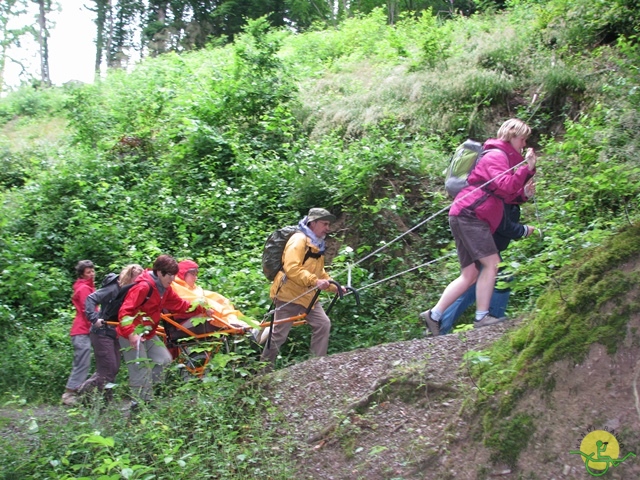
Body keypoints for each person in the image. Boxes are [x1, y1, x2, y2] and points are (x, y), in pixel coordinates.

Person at [420, 118, 537, 336]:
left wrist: (524, 194)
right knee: (492, 264)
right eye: (522, 139)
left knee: (471, 273)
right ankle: (482, 317)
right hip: (471, 214)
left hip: (465, 213)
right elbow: (504, 185)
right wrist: (527, 169)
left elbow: (506, 193)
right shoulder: (496, 155)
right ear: (512, 136)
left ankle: (434, 315)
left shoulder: (502, 158)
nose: (524, 144)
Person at [117, 255, 213, 404]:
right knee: (140, 368)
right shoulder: (143, 286)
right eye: (170, 275)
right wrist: (131, 334)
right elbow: (124, 312)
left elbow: (180, 305)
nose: (173, 279)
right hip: (132, 332)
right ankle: (141, 405)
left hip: (148, 333)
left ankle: (149, 394)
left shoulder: (165, 289)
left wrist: (201, 309)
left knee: (164, 360)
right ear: (160, 273)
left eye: (174, 275)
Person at [261, 208, 344, 368]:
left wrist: (336, 287)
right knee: (278, 335)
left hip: (308, 296)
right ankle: (263, 370)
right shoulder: (298, 240)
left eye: (328, 224)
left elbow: (320, 273)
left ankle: (316, 366)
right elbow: (292, 269)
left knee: (323, 324)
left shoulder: (317, 244)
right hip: (288, 294)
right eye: (324, 224)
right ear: (313, 223)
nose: (328, 228)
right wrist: (314, 281)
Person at [437, 201, 535, 335]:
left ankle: (439, 322)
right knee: (501, 278)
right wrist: (522, 231)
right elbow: (502, 224)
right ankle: (491, 323)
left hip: (484, 245)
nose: (532, 186)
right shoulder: (503, 196)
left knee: (474, 285)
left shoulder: (510, 199)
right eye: (528, 182)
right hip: (483, 246)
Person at [77, 264, 144, 403]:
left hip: (114, 332)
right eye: (137, 280)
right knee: (108, 368)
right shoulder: (113, 288)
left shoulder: (133, 292)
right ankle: (85, 393)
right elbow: (91, 299)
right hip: (102, 332)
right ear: (129, 278)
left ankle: (103, 400)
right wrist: (94, 318)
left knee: (113, 368)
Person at [170, 259, 250, 334]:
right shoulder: (176, 286)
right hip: (184, 320)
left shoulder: (192, 288)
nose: (196, 278)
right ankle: (235, 323)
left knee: (220, 300)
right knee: (210, 304)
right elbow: (187, 302)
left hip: (199, 314)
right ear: (183, 273)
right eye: (193, 274)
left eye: (196, 275)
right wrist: (203, 308)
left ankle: (239, 322)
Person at [61, 260, 96, 406]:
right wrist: (96, 324)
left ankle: (81, 391)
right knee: (82, 362)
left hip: (84, 330)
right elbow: (87, 310)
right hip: (81, 330)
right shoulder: (83, 289)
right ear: (82, 274)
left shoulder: (88, 287)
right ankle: (69, 394)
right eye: (88, 272)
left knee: (85, 361)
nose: (92, 274)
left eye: (93, 271)